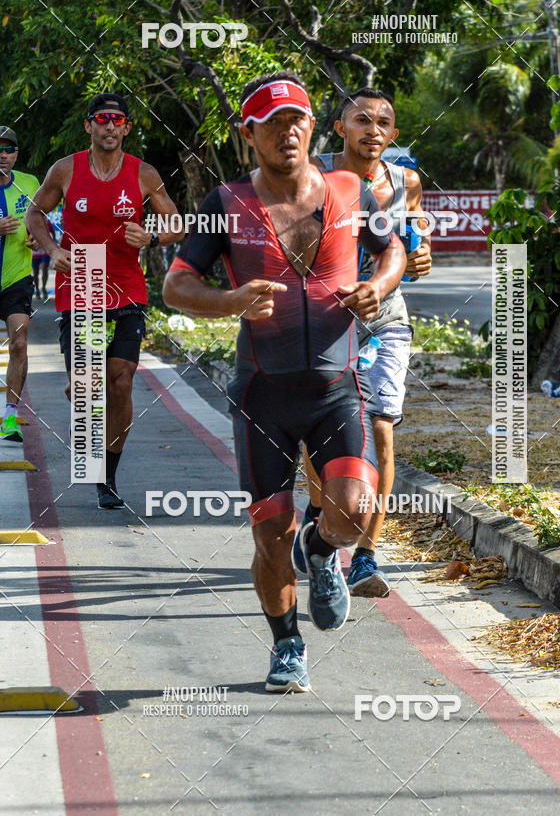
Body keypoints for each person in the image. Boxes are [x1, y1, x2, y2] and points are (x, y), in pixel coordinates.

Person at [163, 71, 406, 692]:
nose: (288, 131)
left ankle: (324, 552)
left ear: (312, 126)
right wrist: (232, 299)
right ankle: (287, 645)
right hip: (263, 396)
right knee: (272, 534)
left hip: (335, 390)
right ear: (251, 135)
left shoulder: (351, 191)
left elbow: (392, 252)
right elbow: (177, 285)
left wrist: (378, 287)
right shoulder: (226, 205)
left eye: (297, 119)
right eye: (273, 123)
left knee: (353, 514)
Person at [299, 87, 432, 598]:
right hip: (325, 319)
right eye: (361, 120)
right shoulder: (311, 176)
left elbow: (416, 250)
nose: (372, 129)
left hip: (385, 319)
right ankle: (321, 525)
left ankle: (367, 556)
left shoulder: (406, 183)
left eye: (383, 122)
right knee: (319, 434)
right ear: (340, 128)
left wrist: (421, 262)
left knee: (380, 431)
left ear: (393, 135)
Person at [26, 93, 183, 508]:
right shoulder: (65, 169)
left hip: (128, 283)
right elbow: (34, 214)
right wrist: (53, 249)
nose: (109, 126)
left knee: (121, 378)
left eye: (117, 120)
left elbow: (177, 224)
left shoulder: (144, 174)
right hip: (82, 279)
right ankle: (80, 385)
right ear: (89, 126)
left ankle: (107, 477)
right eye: (102, 119)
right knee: (87, 387)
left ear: (126, 127)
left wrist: (152, 238)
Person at [0, 127, 40, 442]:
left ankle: (10, 418)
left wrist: (36, 235)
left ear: (16, 153)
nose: (3, 155)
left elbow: (45, 221)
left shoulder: (30, 184)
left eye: (9, 149)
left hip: (16, 278)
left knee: (20, 343)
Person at [32, 218, 55, 300]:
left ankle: (44, 288)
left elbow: (53, 233)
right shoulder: (30, 219)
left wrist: (53, 248)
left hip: (45, 250)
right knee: (35, 271)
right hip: (35, 250)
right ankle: (37, 289)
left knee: (45, 268)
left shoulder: (47, 221)